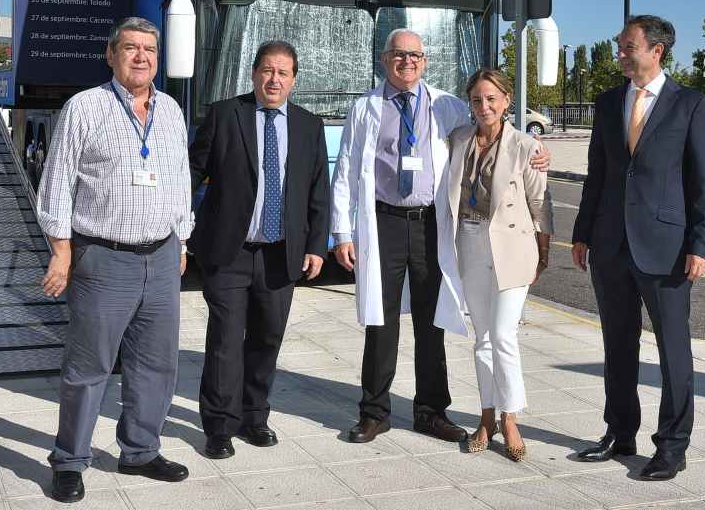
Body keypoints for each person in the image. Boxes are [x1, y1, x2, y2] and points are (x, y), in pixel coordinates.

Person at [331, 28, 550, 445]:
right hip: (384, 222)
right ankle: (374, 412)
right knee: (382, 320)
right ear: (384, 59)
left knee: (432, 320)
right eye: (399, 54)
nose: (407, 61)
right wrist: (343, 231)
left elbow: (490, 130)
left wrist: (533, 148)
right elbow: (344, 171)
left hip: (431, 222)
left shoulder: (446, 105)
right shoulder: (364, 109)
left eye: (415, 55)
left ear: (425, 61)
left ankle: (431, 411)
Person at [37, 17, 192, 504]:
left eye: (150, 49)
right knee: (88, 368)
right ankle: (69, 460)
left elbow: (179, 179)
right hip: (103, 259)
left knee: (157, 365)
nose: (141, 57)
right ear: (111, 55)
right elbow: (57, 182)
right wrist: (61, 251)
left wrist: (182, 240)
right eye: (131, 48)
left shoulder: (170, 109)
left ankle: (141, 450)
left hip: (162, 257)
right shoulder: (84, 107)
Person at [570, 15, 705, 481]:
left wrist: (703, 244)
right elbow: (597, 174)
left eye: (627, 45)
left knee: (674, 351)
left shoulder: (690, 105)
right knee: (617, 345)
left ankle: (672, 446)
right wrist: (581, 232)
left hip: (668, 249)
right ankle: (619, 432)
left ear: (656, 50)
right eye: (619, 44)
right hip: (610, 245)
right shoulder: (608, 102)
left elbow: (704, 182)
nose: (619, 51)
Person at [188, 41, 330, 459]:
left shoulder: (309, 125)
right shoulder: (224, 114)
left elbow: (318, 190)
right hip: (229, 251)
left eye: (283, 73)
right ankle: (218, 426)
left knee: (267, 339)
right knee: (226, 342)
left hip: (280, 254)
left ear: (294, 80)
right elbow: (193, 173)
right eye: (267, 71)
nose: (274, 80)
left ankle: (255, 417)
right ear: (254, 73)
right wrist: (179, 229)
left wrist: (317, 247)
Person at [439, 68, 552, 461]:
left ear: (507, 102)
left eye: (491, 99)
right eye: (476, 100)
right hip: (469, 243)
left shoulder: (526, 146)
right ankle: (485, 416)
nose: (483, 106)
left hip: (513, 249)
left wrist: (544, 249)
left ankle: (511, 418)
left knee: (503, 335)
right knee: (482, 338)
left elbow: (541, 203)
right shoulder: (458, 139)